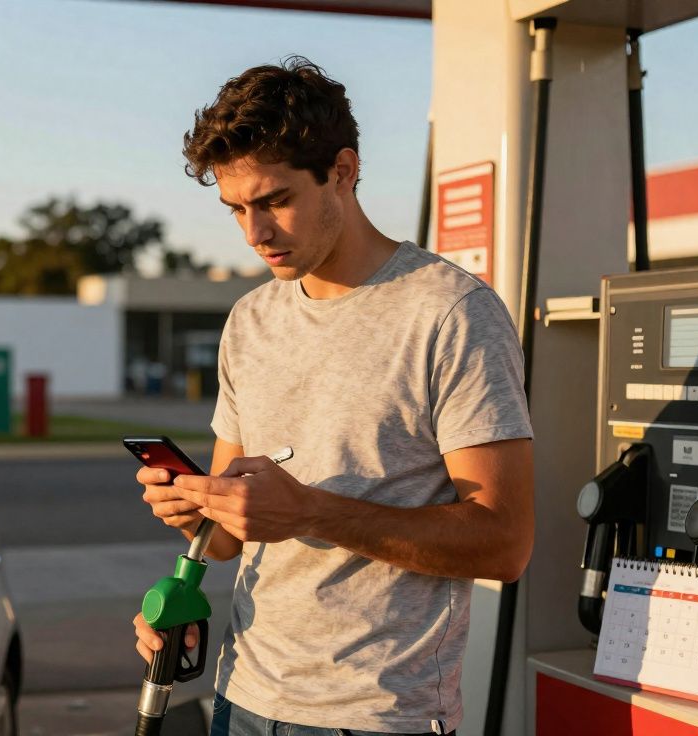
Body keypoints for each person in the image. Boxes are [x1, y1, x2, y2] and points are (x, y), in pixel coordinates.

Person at [131, 57, 534, 736]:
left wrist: (310, 511)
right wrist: (195, 506)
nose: (255, 234)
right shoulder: (251, 320)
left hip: (379, 716)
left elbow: (503, 543)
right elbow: (229, 538)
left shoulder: (452, 313)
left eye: (275, 201)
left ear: (342, 172)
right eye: (236, 209)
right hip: (244, 695)